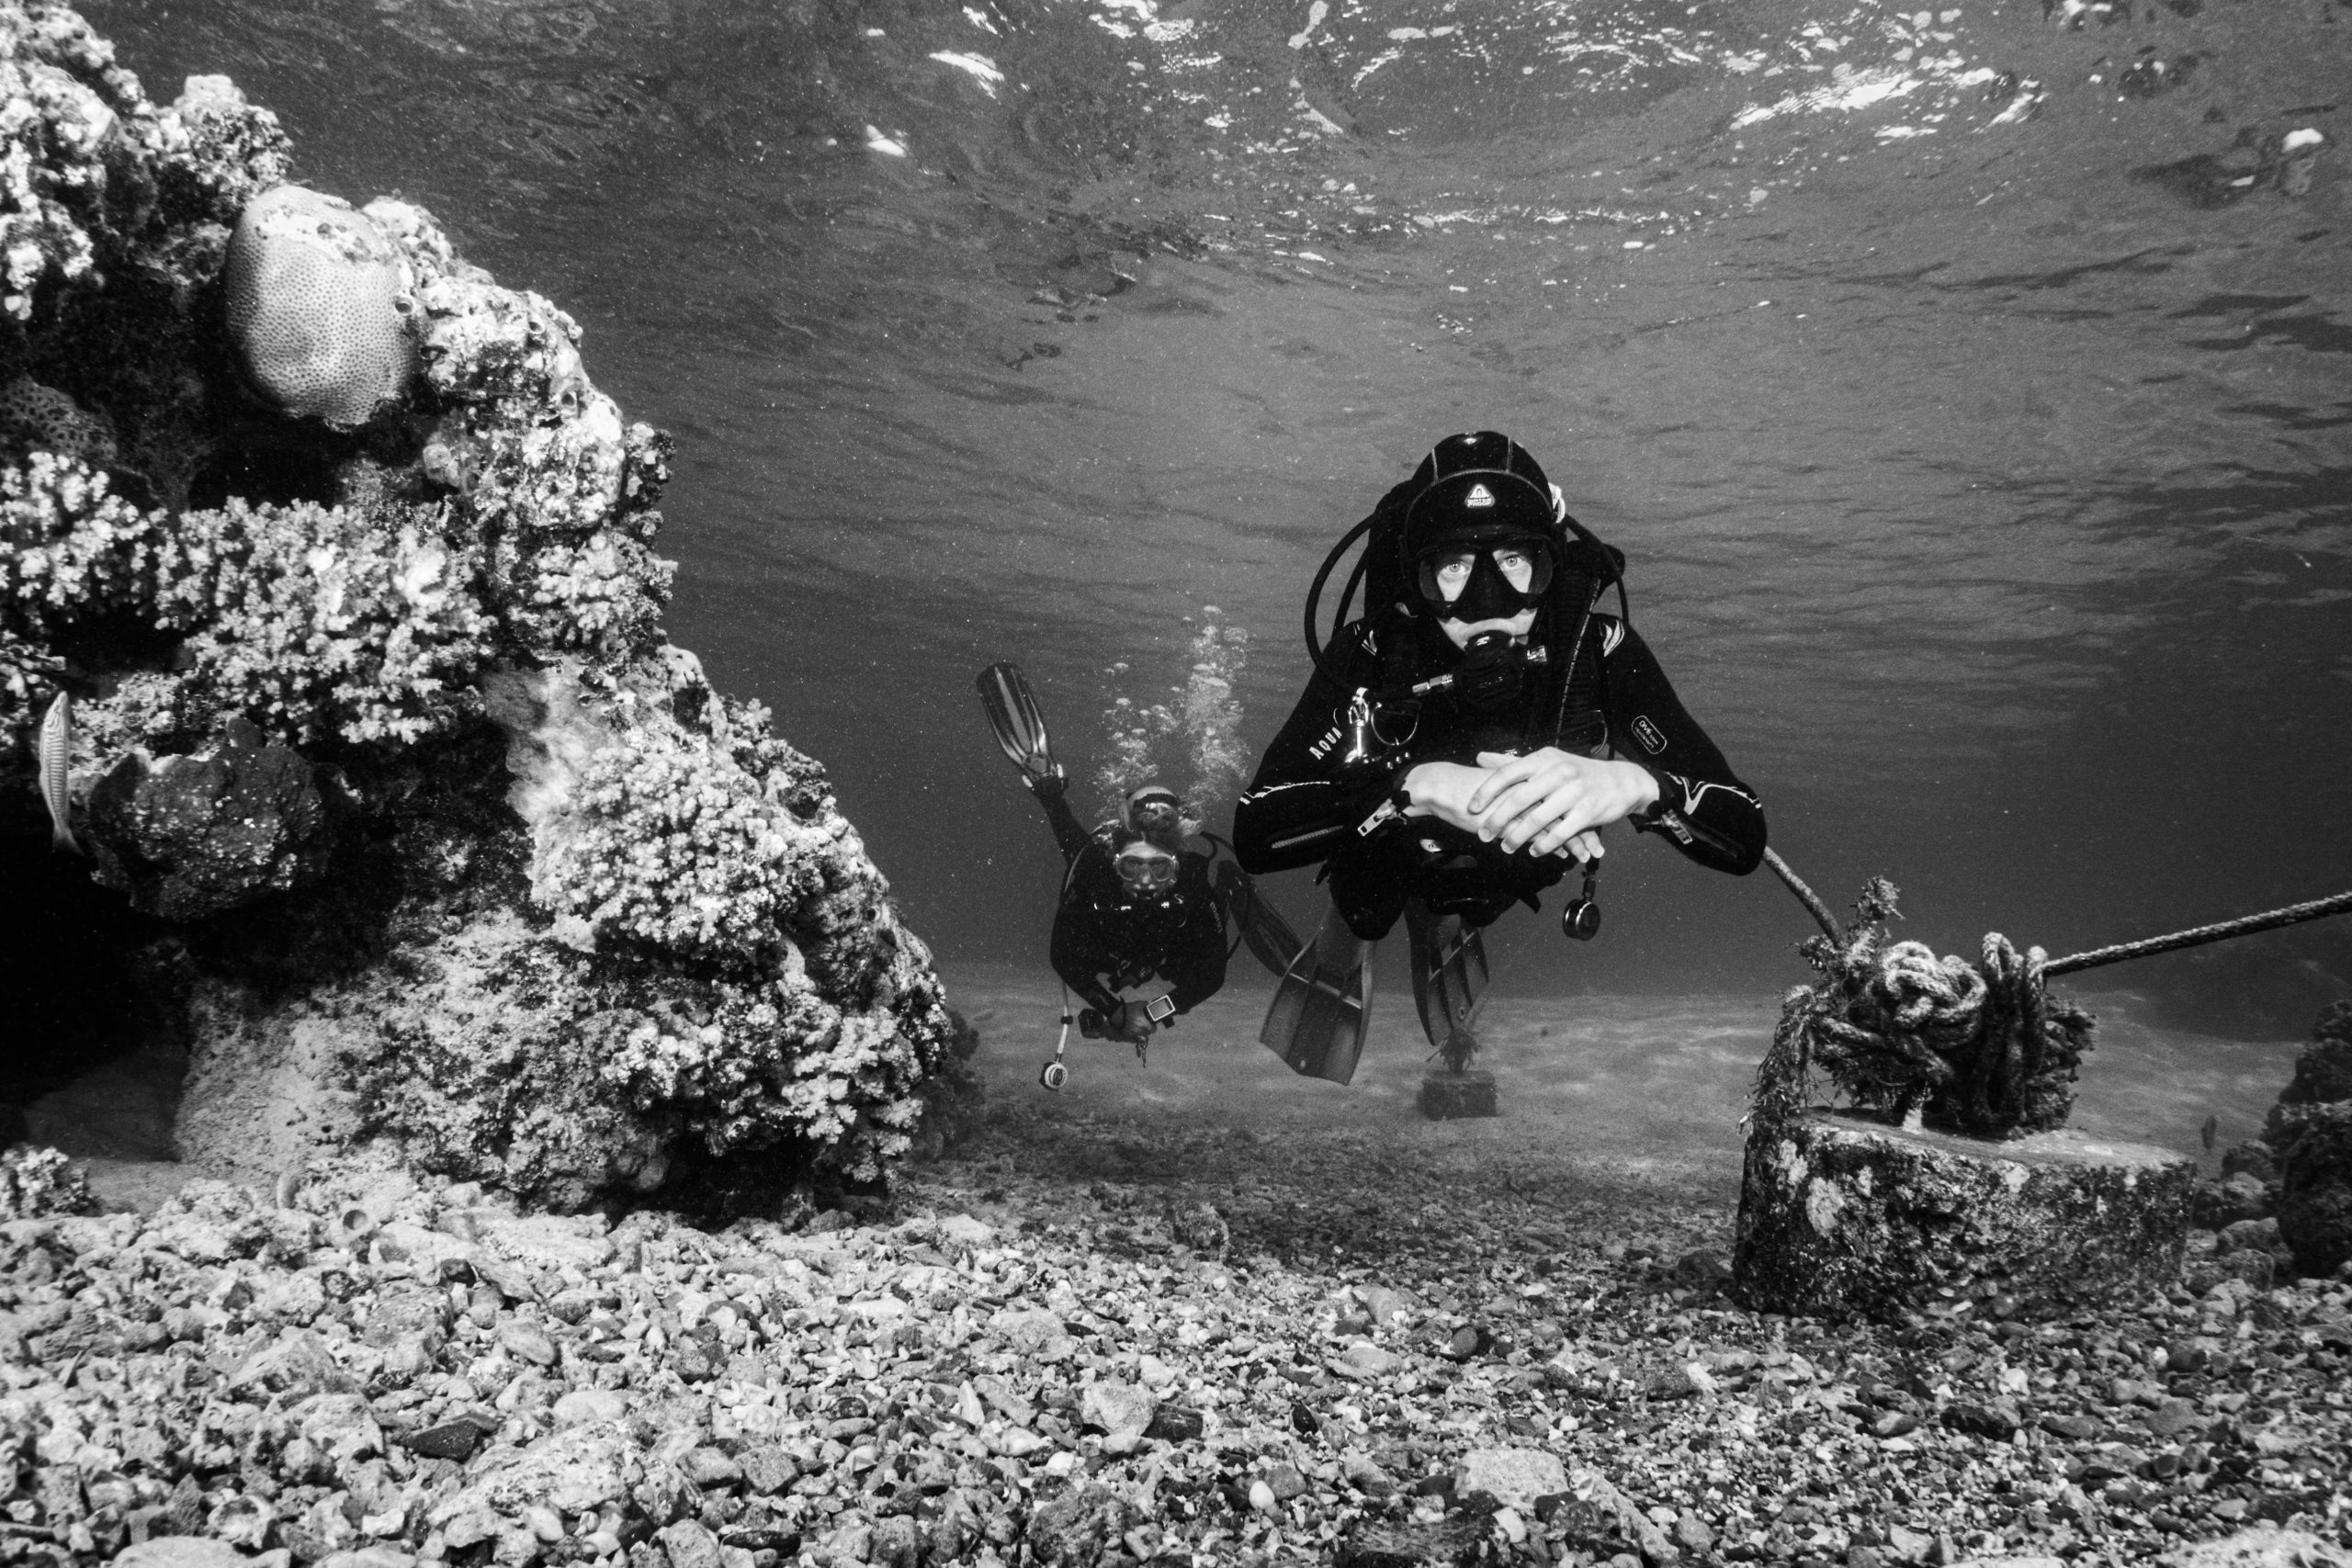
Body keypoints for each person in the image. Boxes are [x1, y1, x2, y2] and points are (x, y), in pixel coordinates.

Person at [1234, 431, 1766, 1081]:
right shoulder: (1374, 653)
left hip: (1500, 877)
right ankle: (1349, 933)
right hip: (1385, 859)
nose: (1489, 603)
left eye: (1517, 560)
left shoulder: (1596, 649)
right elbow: (1256, 832)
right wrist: (1411, 786)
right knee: (1365, 904)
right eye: (1453, 568)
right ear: (1416, 576)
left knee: (1472, 902)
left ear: (1552, 563)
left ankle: (1439, 923)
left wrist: (1637, 782)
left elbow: (1743, 834)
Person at [1027, 775, 1230, 1046]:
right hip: (1113, 948)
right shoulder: (1096, 870)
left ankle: (1230, 887)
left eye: (1159, 867)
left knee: (1195, 960)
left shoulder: (1191, 883)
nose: (1145, 880)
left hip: (1169, 952)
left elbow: (1212, 976)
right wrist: (1116, 1011)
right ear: (1115, 863)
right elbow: (1063, 957)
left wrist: (1153, 1013)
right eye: (1131, 866)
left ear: (1175, 866)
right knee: (1076, 852)